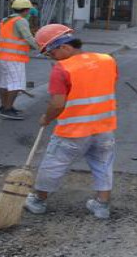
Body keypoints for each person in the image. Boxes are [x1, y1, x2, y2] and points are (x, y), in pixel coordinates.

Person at [25, 24, 119, 220]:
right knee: (103, 164)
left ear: (65, 47)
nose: (51, 58)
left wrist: (46, 117)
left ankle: (38, 201)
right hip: (104, 128)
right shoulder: (107, 60)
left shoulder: (62, 69)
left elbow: (58, 104)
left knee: (53, 164)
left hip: (73, 131)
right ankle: (102, 207)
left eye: (51, 53)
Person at [0, 0, 39, 120]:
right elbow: (28, 38)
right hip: (14, 58)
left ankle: (4, 107)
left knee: (4, 83)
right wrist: (42, 49)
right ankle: (7, 110)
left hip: (3, 57)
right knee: (16, 84)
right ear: (26, 10)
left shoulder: (6, 20)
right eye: (29, 10)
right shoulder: (21, 21)